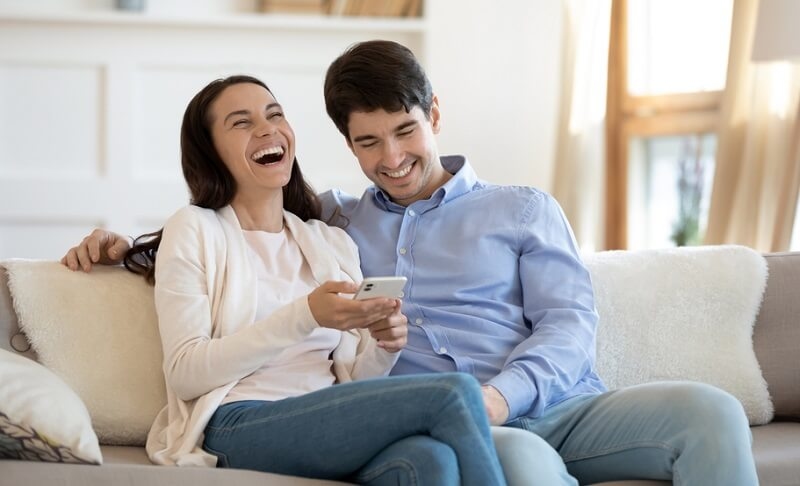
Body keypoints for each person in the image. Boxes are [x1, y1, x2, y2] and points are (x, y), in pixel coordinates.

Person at [63, 42, 759, 485]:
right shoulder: (337, 222)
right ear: (347, 144)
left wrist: (500, 396)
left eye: (405, 132)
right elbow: (237, 224)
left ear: (434, 114)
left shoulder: (518, 209)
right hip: (451, 423)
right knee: (516, 464)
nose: (391, 159)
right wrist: (127, 246)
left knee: (712, 413)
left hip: (550, 406)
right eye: (368, 143)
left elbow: (569, 329)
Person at [91, 74, 507, 486]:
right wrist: (306, 314)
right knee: (454, 393)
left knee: (431, 462)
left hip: (324, 412)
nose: (267, 128)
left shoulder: (328, 241)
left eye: (275, 115)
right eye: (241, 122)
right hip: (240, 419)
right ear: (210, 150)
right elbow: (184, 373)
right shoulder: (196, 229)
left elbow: (353, 380)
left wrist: (383, 346)